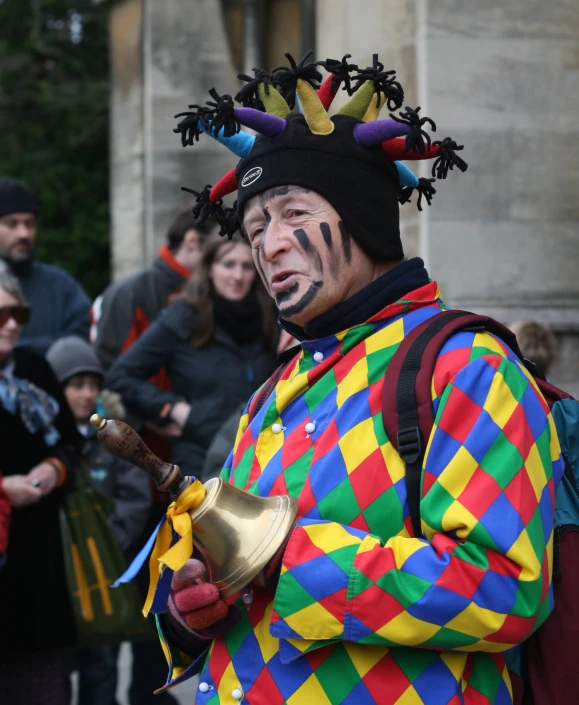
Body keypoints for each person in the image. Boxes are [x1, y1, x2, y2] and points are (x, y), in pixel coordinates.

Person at [144, 52, 564, 704]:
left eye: (291, 213)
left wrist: (295, 559)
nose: (268, 244)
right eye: (256, 226)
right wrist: (193, 608)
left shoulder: (466, 368)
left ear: (363, 217)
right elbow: (236, 583)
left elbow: (506, 589)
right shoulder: (273, 391)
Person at [92, 209, 213, 704]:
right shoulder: (134, 292)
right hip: (136, 477)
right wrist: (160, 410)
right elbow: (108, 380)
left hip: (187, 471)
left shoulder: (212, 299)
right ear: (191, 242)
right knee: (140, 601)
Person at [105, 234, 279, 481]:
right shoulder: (184, 315)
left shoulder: (271, 314)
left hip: (262, 455)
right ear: (209, 268)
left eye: (247, 266)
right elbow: (121, 375)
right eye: (228, 264)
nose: (238, 276)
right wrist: (171, 409)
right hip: (202, 457)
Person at [46, 335, 152, 705]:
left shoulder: (114, 438)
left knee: (102, 666)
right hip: (59, 578)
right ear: (57, 388)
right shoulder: (45, 438)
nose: (86, 394)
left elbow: (137, 496)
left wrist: (107, 539)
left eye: (92, 385)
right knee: (57, 670)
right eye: (76, 385)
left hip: (105, 572)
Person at [0, 269, 82, 704]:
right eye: (2, 315)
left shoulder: (35, 367)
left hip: (39, 569)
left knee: (43, 690)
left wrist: (55, 468)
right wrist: (1, 489)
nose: (12, 323)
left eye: (19, 313)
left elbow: (71, 446)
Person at [92, 209, 213, 374]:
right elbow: (112, 369)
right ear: (192, 241)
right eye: (215, 249)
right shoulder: (130, 293)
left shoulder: (206, 291)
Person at [0, 177, 91, 354]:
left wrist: (18, 350)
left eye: (30, 224)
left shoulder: (60, 286)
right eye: (12, 224)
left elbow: (82, 338)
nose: (24, 233)